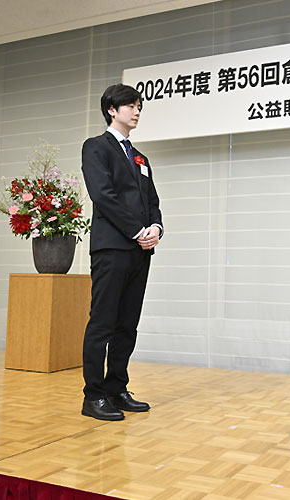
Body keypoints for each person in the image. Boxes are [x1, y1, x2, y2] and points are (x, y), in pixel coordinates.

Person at [80, 83, 163, 421]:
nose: (137, 111)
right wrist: (137, 231)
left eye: (139, 106)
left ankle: (116, 388)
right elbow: (103, 195)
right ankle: (93, 396)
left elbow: (152, 202)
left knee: (127, 325)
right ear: (112, 110)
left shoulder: (141, 158)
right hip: (112, 248)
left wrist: (156, 228)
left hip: (139, 252)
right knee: (102, 323)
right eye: (130, 105)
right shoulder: (96, 147)